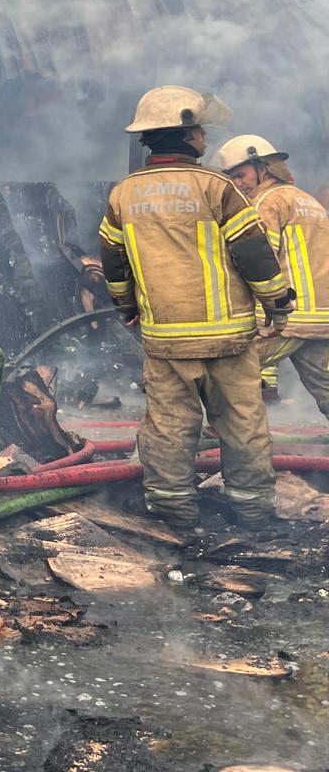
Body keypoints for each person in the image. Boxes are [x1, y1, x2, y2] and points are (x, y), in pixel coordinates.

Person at [98, 87, 293, 531]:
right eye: (201, 129)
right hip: (228, 339)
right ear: (187, 134)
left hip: (166, 340)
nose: (205, 136)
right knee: (242, 423)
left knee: (169, 426)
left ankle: (173, 515)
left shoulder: (123, 194)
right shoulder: (216, 187)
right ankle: (254, 514)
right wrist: (276, 303)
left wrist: (126, 305)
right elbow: (254, 253)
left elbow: (113, 258)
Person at [216, 135, 329, 412]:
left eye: (241, 175)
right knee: (325, 386)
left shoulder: (265, 203)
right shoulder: (307, 201)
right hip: (321, 317)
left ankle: (227, 436)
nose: (238, 183)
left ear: (262, 167)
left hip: (286, 317)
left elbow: (260, 263)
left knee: (227, 375)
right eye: (232, 178)